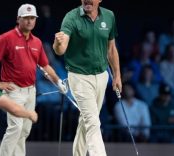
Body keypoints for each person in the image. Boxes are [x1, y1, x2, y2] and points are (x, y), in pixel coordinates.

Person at [0, 4, 66, 156]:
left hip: (31, 91)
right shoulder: (7, 37)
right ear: (18, 19)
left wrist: (58, 82)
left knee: (24, 130)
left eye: (32, 18)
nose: (29, 21)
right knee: (15, 128)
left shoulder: (37, 42)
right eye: (26, 18)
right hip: (13, 90)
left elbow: (45, 65)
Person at [53, 0, 122, 155]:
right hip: (79, 77)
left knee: (87, 121)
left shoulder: (109, 16)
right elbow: (60, 49)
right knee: (93, 122)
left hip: (101, 76)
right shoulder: (71, 17)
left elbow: (111, 49)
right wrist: (58, 44)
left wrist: (117, 75)